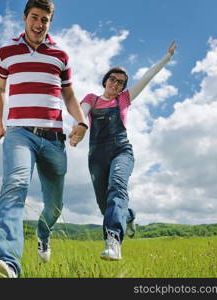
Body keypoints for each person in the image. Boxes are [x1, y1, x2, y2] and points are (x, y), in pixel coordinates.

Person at [0, 0, 87, 278]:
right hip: (19, 133)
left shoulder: (60, 56)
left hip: (53, 137)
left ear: (50, 22)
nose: (39, 25)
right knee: (15, 186)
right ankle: (6, 264)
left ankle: (43, 233)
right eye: (34, 18)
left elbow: (68, 94)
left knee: (54, 206)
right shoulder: (6, 52)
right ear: (25, 18)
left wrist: (81, 121)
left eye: (45, 20)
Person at [78, 41, 176, 261]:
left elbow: (147, 77)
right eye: (113, 79)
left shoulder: (124, 100)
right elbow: (82, 113)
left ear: (123, 88)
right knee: (106, 207)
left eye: (121, 82)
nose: (116, 84)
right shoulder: (91, 99)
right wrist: (78, 127)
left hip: (121, 150)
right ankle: (129, 216)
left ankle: (113, 240)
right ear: (106, 80)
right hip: (96, 156)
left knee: (117, 187)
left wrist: (166, 57)